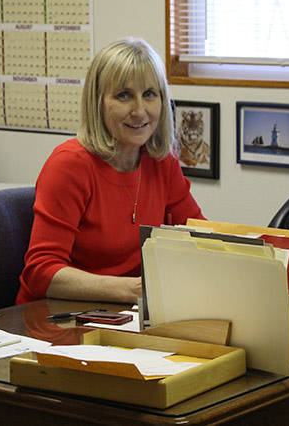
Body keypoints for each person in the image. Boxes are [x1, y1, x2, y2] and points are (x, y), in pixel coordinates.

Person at [16, 38, 205, 305]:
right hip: (57, 319)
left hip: (126, 316)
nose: (139, 111)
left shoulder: (161, 161)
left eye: (149, 94)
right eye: (124, 95)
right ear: (98, 102)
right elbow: (41, 273)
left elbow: (197, 234)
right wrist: (133, 290)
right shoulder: (69, 165)